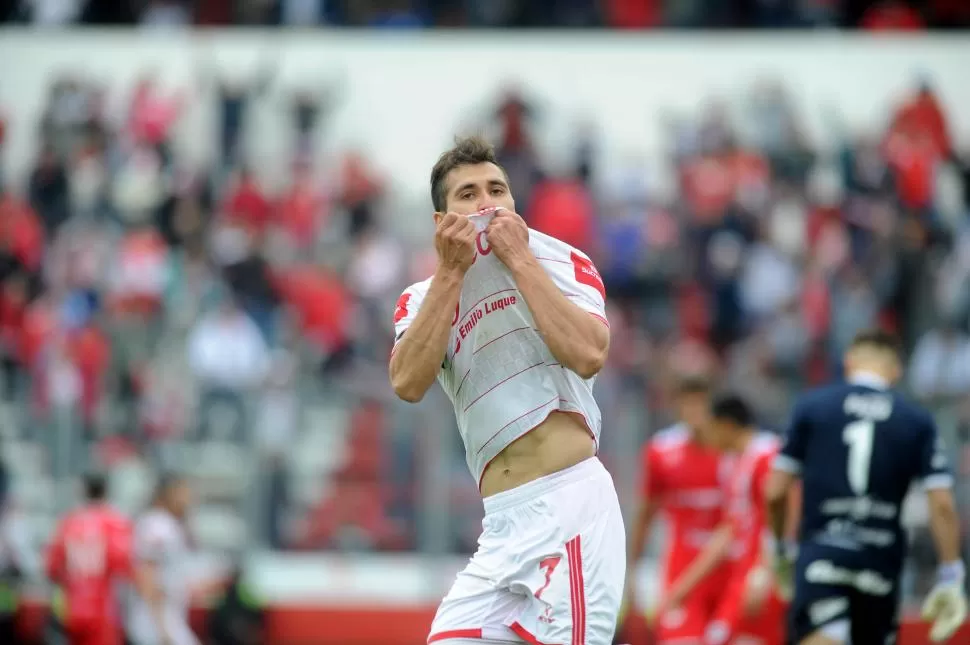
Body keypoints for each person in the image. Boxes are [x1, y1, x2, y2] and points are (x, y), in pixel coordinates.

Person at [389, 136, 623, 644]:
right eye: (468, 195)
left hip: (571, 508)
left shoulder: (563, 261)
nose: (486, 203)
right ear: (441, 221)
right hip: (501, 526)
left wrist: (520, 262)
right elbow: (407, 382)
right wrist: (452, 270)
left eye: (497, 189)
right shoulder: (421, 298)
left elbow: (588, 353)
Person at [765, 329, 968, 645]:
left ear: (848, 362)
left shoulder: (813, 407)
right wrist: (951, 575)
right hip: (880, 561)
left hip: (824, 552)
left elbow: (775, 492)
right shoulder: (917, 420)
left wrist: (780, 549)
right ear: (896, 371)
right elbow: (942, 504)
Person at [657, 395, 788, 645]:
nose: (708, 437)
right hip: (741, 576)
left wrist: (765, 570)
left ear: (726, 426)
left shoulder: (767, 456)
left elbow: (788, 512)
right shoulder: (732, 463)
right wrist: (683, 588)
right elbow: (729, 530)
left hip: (761, 579)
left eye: (711, 428)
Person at [624, 376, 731, 644]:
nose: (695, 412)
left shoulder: (733, 450)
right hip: (680, 571)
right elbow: (645, 515)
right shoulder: (661, 451)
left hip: (730, 573)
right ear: (677, 407)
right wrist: (633, 572)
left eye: (701, 403)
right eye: (688, 404)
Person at [45, 474, 133, 645]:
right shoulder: (115, 522)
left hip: (72, 608)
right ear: (106, 491)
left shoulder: (69, 522)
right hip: (103, 610)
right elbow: (123, 566)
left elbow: (52, 567)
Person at [127, 475, 199, 645]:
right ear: (169, 494)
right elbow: (147, 574)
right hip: (155, 620)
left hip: (167, 617)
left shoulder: (168, 524)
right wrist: (161, 628)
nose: (188, 499)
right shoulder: (158, 525)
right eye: (183, 493)